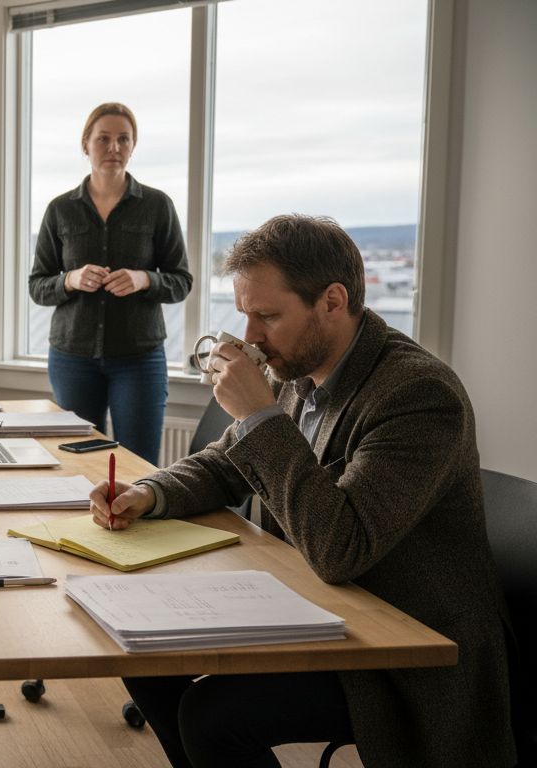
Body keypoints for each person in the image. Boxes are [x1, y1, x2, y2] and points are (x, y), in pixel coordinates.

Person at [89, 214, 515, 768]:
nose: (250, 337)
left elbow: (341, 548)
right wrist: (149, 493)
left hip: (401, 647)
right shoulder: (299, 370)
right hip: (313, 606)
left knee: (213, 716)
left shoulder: (417, 395)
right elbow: (226, 464)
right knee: (143, 654)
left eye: (267, 316)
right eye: (244, 315)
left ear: (332, 302)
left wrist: (260, 417)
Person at [28, 102, 192, 465]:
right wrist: (70, 279)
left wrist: (143, 279)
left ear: (133, 146)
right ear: (85, 144)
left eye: (123, 139)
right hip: (72, 358)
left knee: (140, 463)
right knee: (77, 462)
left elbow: (181, 281)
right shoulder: (60, 210)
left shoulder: (157, 206)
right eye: (103, 139)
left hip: (139, 358)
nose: (114, 147)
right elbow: (37, 285)